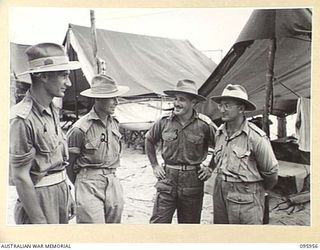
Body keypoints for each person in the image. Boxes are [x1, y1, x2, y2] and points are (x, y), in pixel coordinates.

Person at [10, 43, 81, 224]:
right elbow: (20, 176)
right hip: (38, 199)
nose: (69, 82)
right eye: (63, 75)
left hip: (59, 194)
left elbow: (56, 161)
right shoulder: (22, 119)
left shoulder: (52, 110)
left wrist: (67, 195)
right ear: (42, 76)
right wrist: (40, 222)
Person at [145, 79, 216, 223]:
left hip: (193, 181)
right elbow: (149, 140)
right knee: (158, 225)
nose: (176, 103)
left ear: (193, 103)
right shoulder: (164, 122)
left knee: (189, 228)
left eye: (182, 100)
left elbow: (221, 147)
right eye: (175, 99)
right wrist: (155, 165)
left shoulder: (205, 124)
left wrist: (210, 168)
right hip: (167, 178)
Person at [210, 84, 278, 224]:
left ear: (241, 109)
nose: (222, 109)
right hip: (220, 194)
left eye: (227, 105)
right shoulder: (220, 133)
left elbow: (271, 173)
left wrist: (254, 190)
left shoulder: (256, 137)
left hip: (246, 198)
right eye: (221, 105)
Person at [66, 74, 129, 224]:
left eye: (116, 97)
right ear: (98, 99)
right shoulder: (80, 128)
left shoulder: (114, 123)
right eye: (112, 98)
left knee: (113, 233)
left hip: (113, 182)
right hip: (88, 184)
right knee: (93, 233)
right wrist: (82, 185)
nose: (116, 102)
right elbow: (69, 164)